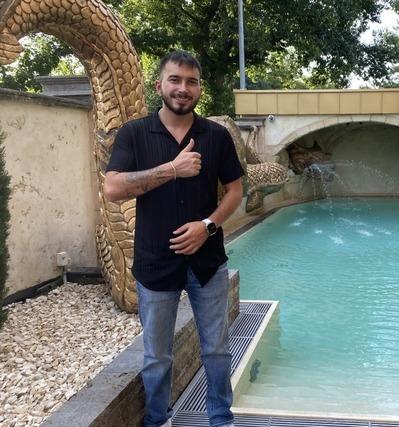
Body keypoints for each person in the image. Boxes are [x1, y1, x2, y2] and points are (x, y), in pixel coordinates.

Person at [104, 50, 243, 427]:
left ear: (199, 89)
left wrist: (208, 226)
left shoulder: (216, 136)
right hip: (155, 262)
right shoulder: (134, 133)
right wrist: (172, 169)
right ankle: (157, 419)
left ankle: (220, 418)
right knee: (157, 355)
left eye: (191, 82)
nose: (183, 88)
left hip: (207, 261)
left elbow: (235, 190)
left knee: (216, 349)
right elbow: (113, 188)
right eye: (175, 80)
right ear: (159, 85)